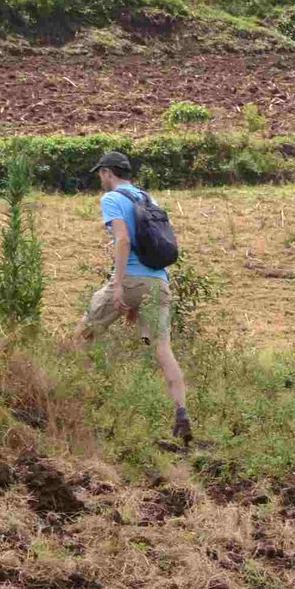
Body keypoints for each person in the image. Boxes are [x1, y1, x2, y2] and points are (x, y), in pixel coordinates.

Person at [79, 151, 192, 448]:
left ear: (107, 173)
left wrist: (119, 286)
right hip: (158, 282)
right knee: (163, 349)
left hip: (130, 278)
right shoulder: (148, 198)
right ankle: (181, 412)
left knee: (82, 336)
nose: (100, 180)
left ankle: (83, 404)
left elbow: (124, 240)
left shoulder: (112, 199)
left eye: (100, 174)